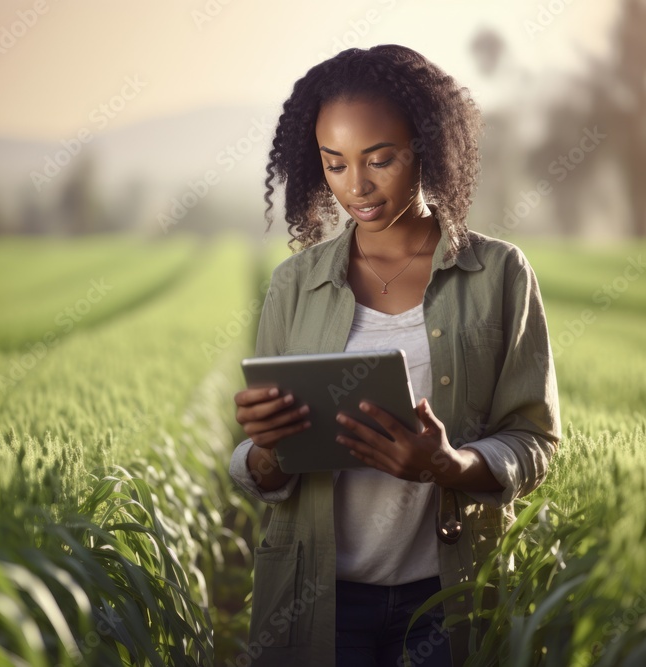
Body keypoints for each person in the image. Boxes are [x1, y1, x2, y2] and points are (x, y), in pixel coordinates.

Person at [228, 44, 561, 667]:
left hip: (449, 596)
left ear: (426, 147)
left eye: (379, 159)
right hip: (318, 599)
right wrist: (267, 452)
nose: (357, 186)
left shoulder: (499, 275)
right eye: (334, 163)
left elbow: (535, 441)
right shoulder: (294, 285)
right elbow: (263, 470)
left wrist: (451, 464)